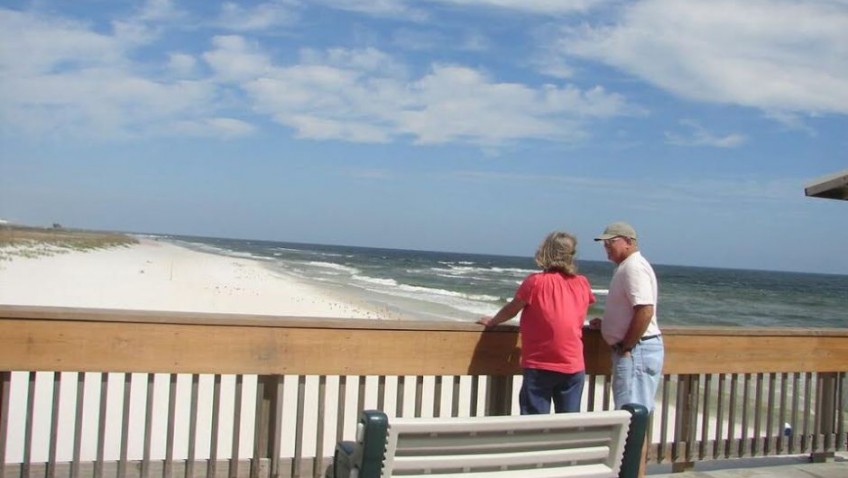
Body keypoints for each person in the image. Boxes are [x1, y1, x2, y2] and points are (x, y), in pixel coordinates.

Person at [477, 231, 595, 414]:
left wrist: (493, 321)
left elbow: (512, 309)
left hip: (540, 363)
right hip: (573, 364)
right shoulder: (582, 283)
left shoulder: (535, 282)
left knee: (534, 423)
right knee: (569, 424)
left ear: (545, 253)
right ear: (571, 256)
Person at [589, 222, 663, 412]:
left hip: (636, 350)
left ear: (628, 242)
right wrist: (609, 325)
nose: (606, 248)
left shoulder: (633, 268)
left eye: (610, 242)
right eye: (604, 244)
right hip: (636, 349)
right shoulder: (629, 266)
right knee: (631, 412)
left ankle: (631, 444)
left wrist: (626, 346)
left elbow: (645, 310)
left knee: (632, 414)